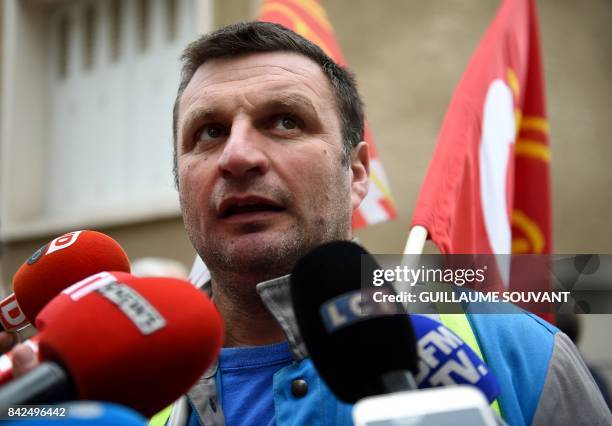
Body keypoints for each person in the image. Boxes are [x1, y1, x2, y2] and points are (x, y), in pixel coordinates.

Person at [5, 22, 610, 426]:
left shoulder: (519, 353)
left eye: (284, 121)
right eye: (208, 132)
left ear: (357, 172)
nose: (237, 156)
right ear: (179, 177)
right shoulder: (93, 391)